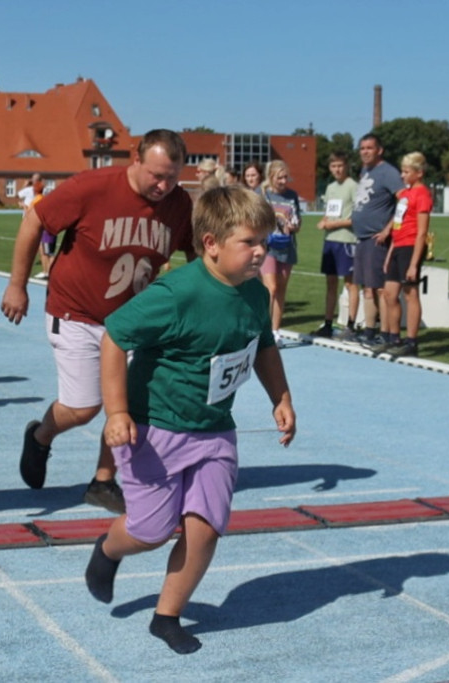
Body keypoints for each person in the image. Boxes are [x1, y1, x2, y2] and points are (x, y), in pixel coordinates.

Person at [84, 186, 296, 655]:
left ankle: (167, 615)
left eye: (265, 241)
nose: (261, 251)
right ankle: (108, 551)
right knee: (151, 531)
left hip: (216, 431)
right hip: (155, 429)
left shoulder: (255, 296)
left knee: (205, 527)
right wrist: (117, 412)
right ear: (211, 244)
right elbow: (115, 339)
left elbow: (262, 346)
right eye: (249, 242)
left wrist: (280, 397)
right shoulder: (175, 294)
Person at [0, 129, 195, 513]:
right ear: (135, 159)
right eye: (156, 174)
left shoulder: (179, 204)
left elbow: (197, 253)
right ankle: (41, 435)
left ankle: (103, 481)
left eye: (172, 177)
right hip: (76, 312)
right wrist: (17, 285)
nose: (163, 185)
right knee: (84, 407)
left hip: (131, 319)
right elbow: (34, 221)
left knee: (125, 403)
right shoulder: (92, 187)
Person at [351, 133, 404, 347]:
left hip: (377, 239)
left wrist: (388, 229)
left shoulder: (388, 172)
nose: (365, 152)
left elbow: (403, 200)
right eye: (362, 148)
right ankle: (369, 330)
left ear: (379, 150)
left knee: (380, 287)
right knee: (367, 286)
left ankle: (385, 332)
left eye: (369, 148)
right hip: (362, 237)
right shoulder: (365, 170)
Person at [378, 152, 432, 358]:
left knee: (410, 295)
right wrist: (389, 253)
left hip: (411, 247)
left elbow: (422, 232)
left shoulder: (422, 194)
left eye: (406, 171)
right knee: (390, 294)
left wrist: (413, 264)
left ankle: (411, 341)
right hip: (398, 246)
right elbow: (397, 225)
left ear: (418, 173)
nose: (402, 175)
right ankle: (394, 338)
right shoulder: (405, 195)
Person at [314, 152, 359, 338]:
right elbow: (329, 212)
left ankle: (351, 324)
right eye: (333, 166)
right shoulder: (330, 187)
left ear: (346, 166)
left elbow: (356, 217)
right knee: (330, 283)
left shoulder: (353, 186)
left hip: (347, 241)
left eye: (340, 166)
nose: (337, 170)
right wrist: (324, 221)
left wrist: (334, 224)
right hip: (330, 241)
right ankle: (327, 323)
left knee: (351, 284)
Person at [259, 160, 301, 339]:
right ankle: (264, 328)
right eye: (280, 177)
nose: (284, 181)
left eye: (286, 177)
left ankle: (276, 331)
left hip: (287, 245)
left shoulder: (292, 196)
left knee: (281, 289)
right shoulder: (262, 194)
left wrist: (294, 226)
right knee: (271, 288)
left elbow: (299, 222)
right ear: (271, 177)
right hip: (267, 246)